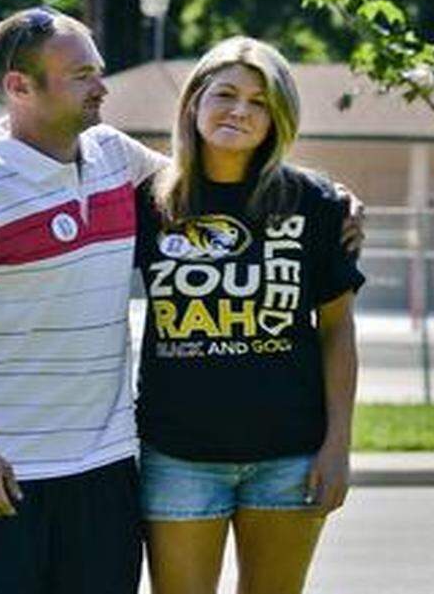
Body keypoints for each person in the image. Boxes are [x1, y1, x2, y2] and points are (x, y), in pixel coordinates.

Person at [0, 8, 361, 593]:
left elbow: (215, 182)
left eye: (98, 71)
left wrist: (334, 198)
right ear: (19, 86)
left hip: (103, 472)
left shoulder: (113, 159)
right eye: (81, 76)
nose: (102, 87)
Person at [134, 37, 364, 594]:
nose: (239, 110)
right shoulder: (149, 203)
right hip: (178, 454)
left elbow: (336, 332)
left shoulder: (317, 205)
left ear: (278, 117)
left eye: (259, 102)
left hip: (288, 455)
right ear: (194, 102)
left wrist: (338, 447)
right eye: (226, 94)